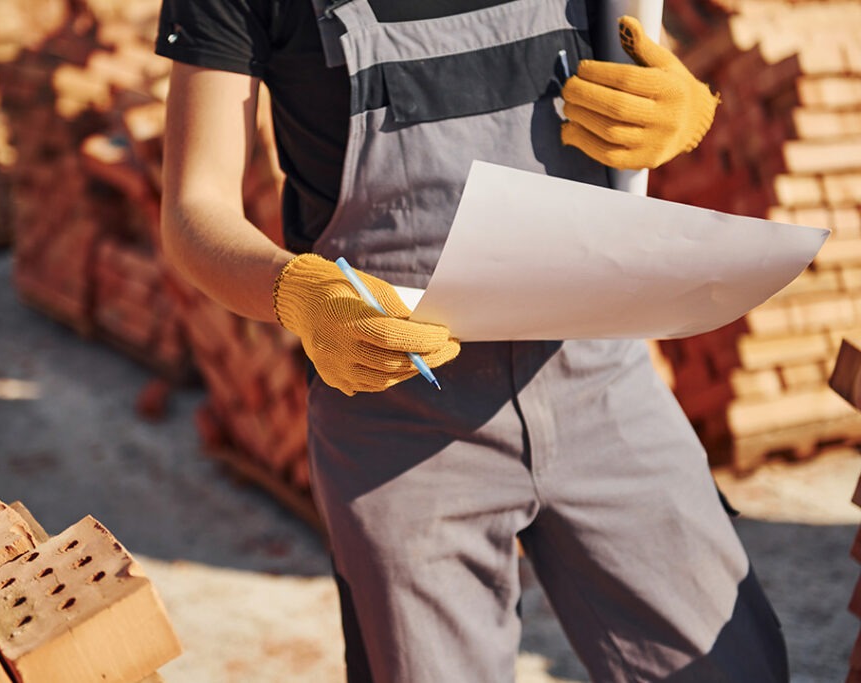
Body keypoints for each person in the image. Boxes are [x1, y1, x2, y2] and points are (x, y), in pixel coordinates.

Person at [155, 0, 789, 680]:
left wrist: (683, 110)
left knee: (731, 663)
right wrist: (297, 294)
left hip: (601, 376)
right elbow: (195, 208)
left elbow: (637, 42)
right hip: (399, 418)